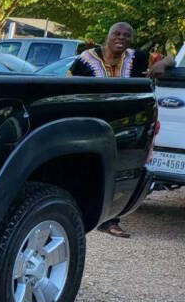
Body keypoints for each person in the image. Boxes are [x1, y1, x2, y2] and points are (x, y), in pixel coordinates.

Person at [67, 22, 170, 237]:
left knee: (118, 170)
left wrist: (162, 65)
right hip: (93, 124)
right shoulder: (86, 59)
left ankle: (111, 219)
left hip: (126, 125)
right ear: (108, 35)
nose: (121, 38)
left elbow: (170, 58)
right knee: (86, 169)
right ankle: (79, 214)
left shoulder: (139, 58)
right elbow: (70, 87)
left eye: (127, 35)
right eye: (117, 33)